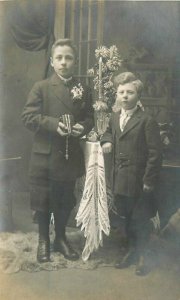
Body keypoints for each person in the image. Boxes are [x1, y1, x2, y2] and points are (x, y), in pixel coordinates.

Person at [22, 39, 93, 263]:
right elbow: (28, 117)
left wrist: (84, 126)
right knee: (42, 199)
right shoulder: (41, 87)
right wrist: (54, 125)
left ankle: (60, 238)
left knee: (64, 199)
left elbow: (90, 117)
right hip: (46, 154)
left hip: (68, 153)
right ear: (52, 62)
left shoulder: (82, 89)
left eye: (68, 58)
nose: (64, 62)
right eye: (59, 58)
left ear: (75, 61)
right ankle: (44, 239)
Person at [101, 72, 162, 275]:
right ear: (116, 95)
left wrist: (149, 180)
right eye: (121, 92)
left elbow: (155, 153)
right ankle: (131, 251)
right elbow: (109, 131)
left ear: (138, 95)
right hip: (119, 177)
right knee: (125, 217)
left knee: (140, 218)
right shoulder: (115, 116)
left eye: (130, 92)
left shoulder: (146, 120)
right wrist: (107, 141)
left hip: (138, 179)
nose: (125, 96)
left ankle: (143, 254)